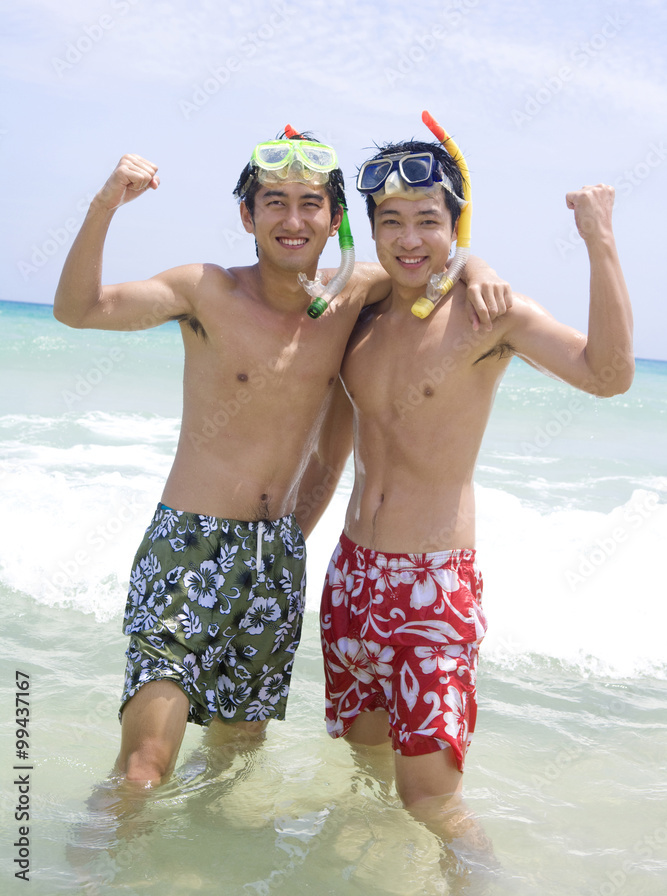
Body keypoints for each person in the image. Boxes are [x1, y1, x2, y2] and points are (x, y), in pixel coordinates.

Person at [53, 132, 509, 789]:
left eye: (308, 204)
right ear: (248, 216)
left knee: (235, 760)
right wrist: (106, 203)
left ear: (335, 220)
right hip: (189, 544)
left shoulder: (351, 298)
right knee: (145, 766)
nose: (292, 220)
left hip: (276, 557)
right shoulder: (204, 290)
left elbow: (431, 259)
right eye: (273, 203)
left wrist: (478, 267)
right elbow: (78, 309)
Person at [319, 131, 634, 857]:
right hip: (349, 581)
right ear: (370, 231)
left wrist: (597, 238)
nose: (408, 239)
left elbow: (608, 373)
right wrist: (467, 260)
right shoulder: (362, 310)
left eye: (427, 220)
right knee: (365, 773)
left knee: (431, 800)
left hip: (432, 589)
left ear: (454, 224)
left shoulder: (490, 315)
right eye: (390, 221)